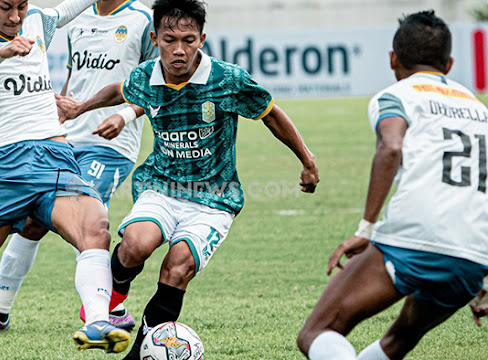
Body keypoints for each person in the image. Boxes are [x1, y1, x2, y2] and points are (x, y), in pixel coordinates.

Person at [57, 0, 320, 358]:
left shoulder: (226, 79)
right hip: (161, 187)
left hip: (214, 198)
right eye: (169, 39)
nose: (178, 49)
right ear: (155, 38)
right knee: (135, 245)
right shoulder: (146, 76)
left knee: (178, 266)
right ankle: (113, 298)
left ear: (202, 39)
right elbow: (120, 89)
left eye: (188, 39)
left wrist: (307, 159)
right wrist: (82, 108)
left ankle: (139, 354)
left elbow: (271, 114)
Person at [0, 0, 133, 358]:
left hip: (53, 155)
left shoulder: (36, 21)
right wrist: (2, 52)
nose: (16, 16)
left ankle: (97, 320)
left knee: (95, 227)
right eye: (5, 7)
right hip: (3, 166)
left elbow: (70, 8)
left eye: (21, 5)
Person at [296, 10, 488, 360]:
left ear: (393, 59)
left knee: (316, 332)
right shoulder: (479, 108)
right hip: (473, 255)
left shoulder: (396, 96)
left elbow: (392, 147)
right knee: (400, 339)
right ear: (449, 64)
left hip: (415, 237)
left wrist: (366, 228)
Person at [0, 0, 156, 336]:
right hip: (60, 137)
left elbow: (158, 80)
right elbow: (70, 74)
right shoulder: (79, 20)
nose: (16, 14)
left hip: (109, 144)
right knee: (32, 224)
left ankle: (111, 310)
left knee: (90, 221)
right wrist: (56, 105)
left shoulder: (143, 19)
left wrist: (123, 115)